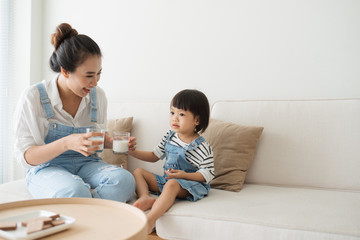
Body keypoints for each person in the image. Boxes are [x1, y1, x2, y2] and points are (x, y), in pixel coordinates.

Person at [13, 23, 135, 202]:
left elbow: (96, 141)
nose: (95, 82)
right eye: (89, 75)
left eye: (99, 74)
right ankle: (89, 203)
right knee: (73, 191)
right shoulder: (34, 96)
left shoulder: (98, 96)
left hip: (88, 164)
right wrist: (67, 142)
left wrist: (112, 142)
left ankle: (83, 205)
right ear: (65, 71)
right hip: (47, 168)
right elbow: (26, 157)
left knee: (124, 181)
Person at [129, 89, 214, 233]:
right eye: (172, 112)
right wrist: (132, 152)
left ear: (197, 120)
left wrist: (184, 175)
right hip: (168, 181)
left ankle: (150, 221)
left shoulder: (201, 146)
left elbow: (207, 174)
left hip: (190, 186)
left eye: (181, 114)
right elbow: (154, 155)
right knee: (138, 172)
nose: (175, 118)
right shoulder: (169, 137)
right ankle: (145, 197)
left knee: (172, 184)